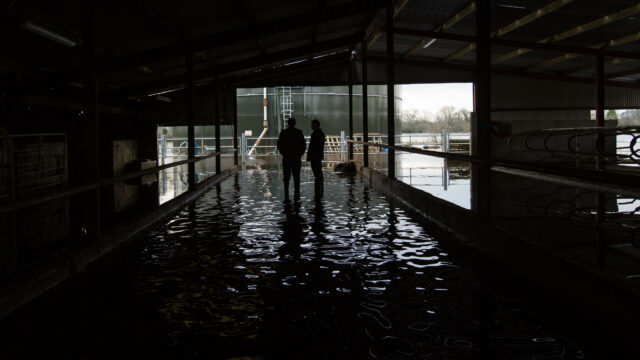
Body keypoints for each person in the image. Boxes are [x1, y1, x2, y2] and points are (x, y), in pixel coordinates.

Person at [277, 117, 306, 199]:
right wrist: (299, 154)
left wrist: (284, 154)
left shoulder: (283, 133)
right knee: (296, 176)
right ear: (295, 123)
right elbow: (303, 145)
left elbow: (279, 145)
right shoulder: (299, 132)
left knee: (286, 177)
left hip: (287, 158)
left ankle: (286, 193)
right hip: (296, 158)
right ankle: (297, 193)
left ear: (288, 123)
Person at [307, 119, 325, 194]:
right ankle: (319, 190)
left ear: (316, 125)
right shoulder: (320, 133)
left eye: (312, 124)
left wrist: (311, 156)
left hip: (315, 157)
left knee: (317, 173)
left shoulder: (316, 134)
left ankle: (318, 190)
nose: (311, 126)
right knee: (318, 173)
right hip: (318, 156)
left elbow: (313, 146)